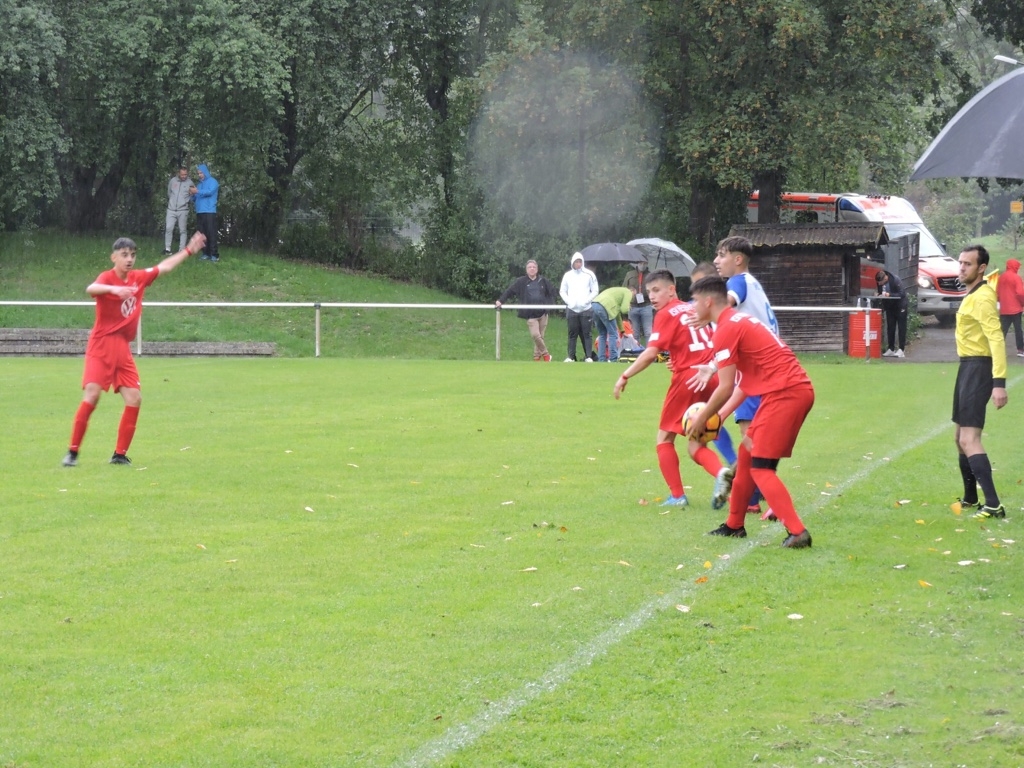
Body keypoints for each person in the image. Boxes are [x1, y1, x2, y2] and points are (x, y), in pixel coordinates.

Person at [685, 275, 815, 549]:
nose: (692, 307)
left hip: (786, 394)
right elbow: (743, 383)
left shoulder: (726, 328)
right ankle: (734, 525)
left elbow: (724, 387)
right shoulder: (738, 320)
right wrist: (718, 417)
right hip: (785, 392)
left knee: (761, 469)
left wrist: (701, 418)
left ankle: (798, 532)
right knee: (746, 456)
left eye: (695, 301)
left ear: (708, 301)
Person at [62, 232, 207, 467]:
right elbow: (91, 288)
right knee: (93, 394)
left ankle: (119, 455)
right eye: (124, 255)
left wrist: (189, 250)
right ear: (114, 257)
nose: (129, 259)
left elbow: (164, 267)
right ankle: (72, 452)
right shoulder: (107, 278)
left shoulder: (138, 278)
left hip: (122, 348)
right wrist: (113, 291)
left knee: (134, 398)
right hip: (101, 344)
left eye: (132, 255)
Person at [613, 270, 733, 509]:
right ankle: (722, 473)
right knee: (696, 442)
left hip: (689, 379)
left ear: (672, 289)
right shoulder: (693, 308)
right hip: (713, 375)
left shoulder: (666, 313)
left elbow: (650, 353)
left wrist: (625, 374)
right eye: (649, 292)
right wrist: (677, 358)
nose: (652, 297)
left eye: (657, 290)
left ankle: (677, 496)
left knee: (664, 437)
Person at [703, 235, 779, 516]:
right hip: (769, 369)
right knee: (758, 440)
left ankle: (751, 492)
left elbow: (727, 306)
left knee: (751, 441)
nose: (716, 261)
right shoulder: (754, 285)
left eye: (721, 255)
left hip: (757, 372)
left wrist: (702, 310)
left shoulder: (738, 283)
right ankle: (750, 497)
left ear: (737, 259)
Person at [952, 244, 1008, 520]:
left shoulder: (984, 297)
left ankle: (994, 504)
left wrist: (999, 382)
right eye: (960, 263)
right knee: (959, 437)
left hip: (979, 368)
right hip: (967, 367)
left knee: (969, 438)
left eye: (968, 264)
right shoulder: (971, 294)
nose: (962, 268)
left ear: (981, 268)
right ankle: (972, 497)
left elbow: (996, 339)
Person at [495, 260, 558, 361]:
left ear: (537, 269)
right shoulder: (521, 281)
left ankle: (536, 357)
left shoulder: (543, 281)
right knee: (535, 335)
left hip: (543, 314)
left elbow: (552, 292)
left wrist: (549, 305)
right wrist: (500, 301)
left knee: (540, 336)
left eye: (534, 267)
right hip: (530, 315)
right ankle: (546, 355)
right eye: (530, 267)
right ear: (526, 269)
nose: (532, 269)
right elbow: (510, 291)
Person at [559, 253, 599, 362]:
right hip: (572, 309)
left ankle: (589, 356)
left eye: (580, 261)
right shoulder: (568, 275)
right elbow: (562, 291)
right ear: (572, 262)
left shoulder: (589, 274)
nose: (578, 264)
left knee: (587, 334)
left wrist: (587, 301)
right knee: (572, 334)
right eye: (576, 262)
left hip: (586, 309)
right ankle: (571, 357)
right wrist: (569, 302)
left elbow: (595, 290)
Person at [592, 286, 634, 362]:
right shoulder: (628, 292)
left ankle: (601, 359)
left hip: (594, 304)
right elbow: (624, 310)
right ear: (633, 292)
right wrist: (629, 308)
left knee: (602, 334)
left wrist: (622, 331)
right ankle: (613, 359)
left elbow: (617, 315)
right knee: (613, 334)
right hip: (605, 306)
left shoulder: (616, 294)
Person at [875, 269, 909, 358]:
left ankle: (901, 349)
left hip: (900, 305)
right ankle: (891, 348)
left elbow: (902, 294)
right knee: (890, 327)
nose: (879, 284)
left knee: (901, 327)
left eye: (881, 283)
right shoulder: (880, 282)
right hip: (890, 306)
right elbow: (881, 292)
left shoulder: (895, 280)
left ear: (885, 279)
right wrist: (878, 294)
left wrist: (889, 295)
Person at [190, 163, 220, 262]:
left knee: (211, 233)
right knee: (202, 234)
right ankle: (205, 253)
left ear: (206, 172)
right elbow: (194, 198)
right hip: (200, 211)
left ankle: (214, 254)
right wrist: (192, 194)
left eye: (201, 173)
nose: (200, 175)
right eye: (198, 173)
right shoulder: (198, 185)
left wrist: (197, 191)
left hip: (209, 211)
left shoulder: (213, 182)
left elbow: (209, 192)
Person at [997, 258, 1024, 358]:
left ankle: (997, 349)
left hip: (1004, 309)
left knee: (1002, 330)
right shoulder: (1016, 278)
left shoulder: (1001, 277)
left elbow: (997, 294)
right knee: (1018, 330)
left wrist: (1002, 302)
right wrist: (1023, 303)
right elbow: (1020, 293)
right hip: (1016, 309)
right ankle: (1020, 350)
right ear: (1015, 266)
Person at [623, 263, 653, 346]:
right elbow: (624, 289)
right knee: (634, 333)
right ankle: (636, 352)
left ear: (647, 264)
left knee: (648, 332)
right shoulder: (629, 274)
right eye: (640, 263)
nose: (642, 265)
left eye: (644, 263)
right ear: (637, 263)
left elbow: (653, 289)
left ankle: (649, 353)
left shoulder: (650, 275)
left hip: (646, 305)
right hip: (633, 306)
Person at [164, 166, 191, 255]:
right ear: (179, 173)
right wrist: (172, 201)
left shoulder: (190, 182)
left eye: (185, 174)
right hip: (171, 209)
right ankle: (167, 249)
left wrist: (184, 202)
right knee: (168, 228)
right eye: (182, 174)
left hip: (183, 210)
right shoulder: (173, 181)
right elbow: (169, 192)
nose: (184, 176)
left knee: (182, 230)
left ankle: (181, 250)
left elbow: (193, 195)